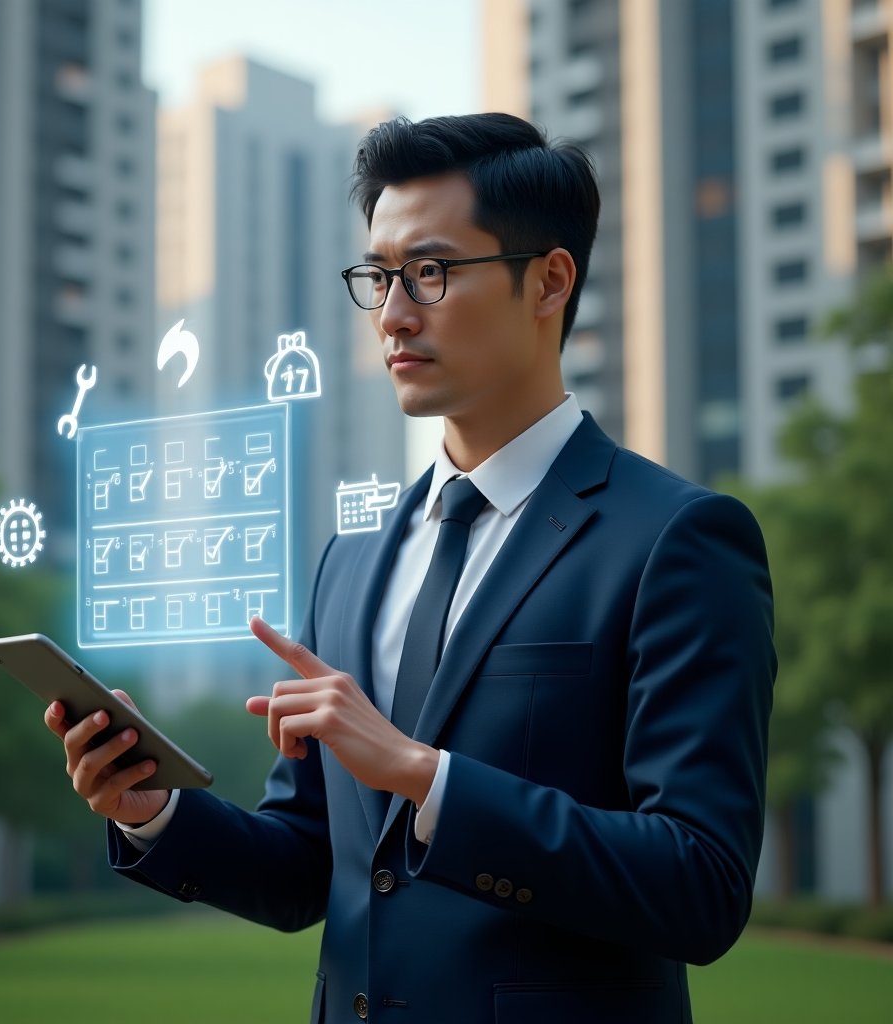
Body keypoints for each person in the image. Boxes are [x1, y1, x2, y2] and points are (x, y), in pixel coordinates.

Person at [46, 113, 776, 1023]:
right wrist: (152, 808)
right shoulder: (349, 564)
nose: (392, 314)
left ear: (549, 281)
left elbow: (699, 885)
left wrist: (427, 777)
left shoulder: (678, 541)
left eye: (430, 272)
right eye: (379, 277)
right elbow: (311, 866)